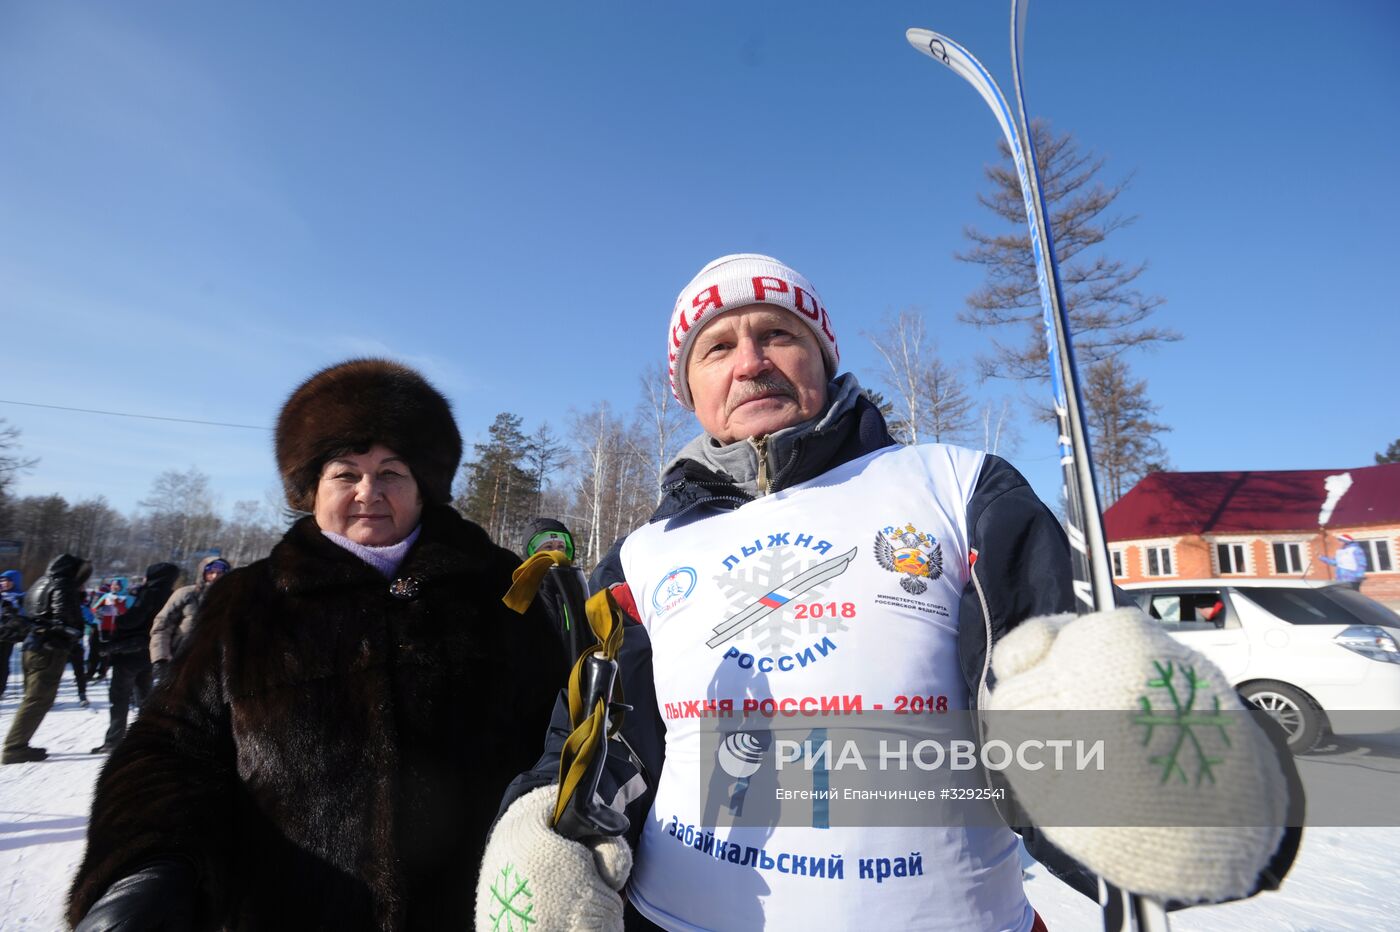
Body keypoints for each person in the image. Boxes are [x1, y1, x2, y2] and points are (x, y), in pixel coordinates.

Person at [476, 254, 1302, 930]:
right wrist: (546, 822)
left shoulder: (954, 484)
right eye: (716, 348)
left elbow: (1045, 689)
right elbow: (601, 733)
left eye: (777, 335)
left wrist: (1148, 787)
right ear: (688, 392)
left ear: (824, 357)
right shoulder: (644, 553)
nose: (751, 360)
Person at [69, 359, 568, 930]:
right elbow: (171, 746)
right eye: (345, 473)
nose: (368, 492)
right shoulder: (247, 602)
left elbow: (560, 736)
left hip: (476, 908)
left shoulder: (504, 589)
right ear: (311, 489)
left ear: (423, 487)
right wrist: (142, 869)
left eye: (391, 472)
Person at [3, 554, 92, 764]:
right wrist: (75, 630)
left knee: (33, 698)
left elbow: (37, 613)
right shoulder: (62, 585)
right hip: (49, 648)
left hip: (33, 647)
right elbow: (65, 618)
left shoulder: (40, 582)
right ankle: (14, 747)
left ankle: (16, 744)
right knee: (38, 699)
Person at [90, 561, 180, 754]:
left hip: (130, 652)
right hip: (153, 650)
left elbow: (134, 619)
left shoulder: (150, 593)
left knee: (120, 697)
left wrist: (113, 621)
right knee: (144, 697)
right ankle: (145, 740)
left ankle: (114, 741)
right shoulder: (172, 595)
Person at [148, 556, 230, 685]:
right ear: (203, 573)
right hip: (180, 661)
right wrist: (160, 659)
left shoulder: (233, 599)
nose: (215, 576)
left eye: (220, 573)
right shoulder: (186, 594)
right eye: (211, 572)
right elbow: (162, 626)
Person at [1, 569, 25, 697]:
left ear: (14, 582)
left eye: (7, 581)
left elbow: (23, 615)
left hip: (8, 634)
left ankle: (1, 688)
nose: (4, 583)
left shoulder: (19, 596)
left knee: (2, 661)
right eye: (2, 581)